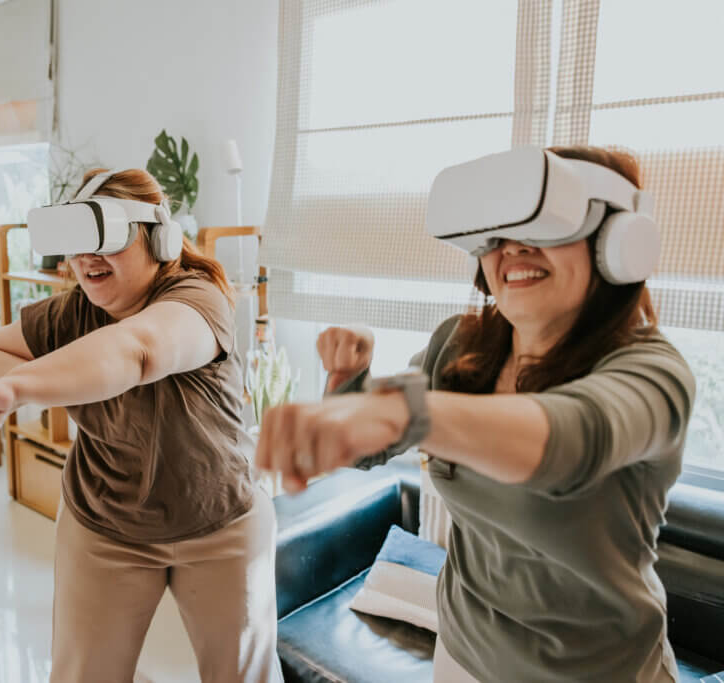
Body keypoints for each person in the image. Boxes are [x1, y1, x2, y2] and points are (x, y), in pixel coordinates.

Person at [254, 146, 696, 681]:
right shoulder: (460, 346)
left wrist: (399, 413)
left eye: (550, 223)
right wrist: (349, 381)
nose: (513, 246)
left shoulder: (653, 372)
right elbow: (371, 447)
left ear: (620, 242)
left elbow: (575, 438)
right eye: (500, 228)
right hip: (463, 654)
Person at [0, 168, 283, 682]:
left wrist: (15, 388)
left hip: (220, 519)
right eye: (74, 242)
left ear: (158, 237)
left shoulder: (199, 298)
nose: (86, 258)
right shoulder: (69, 314)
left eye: (105, 238)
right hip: (103, 523)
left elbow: (137, 350)